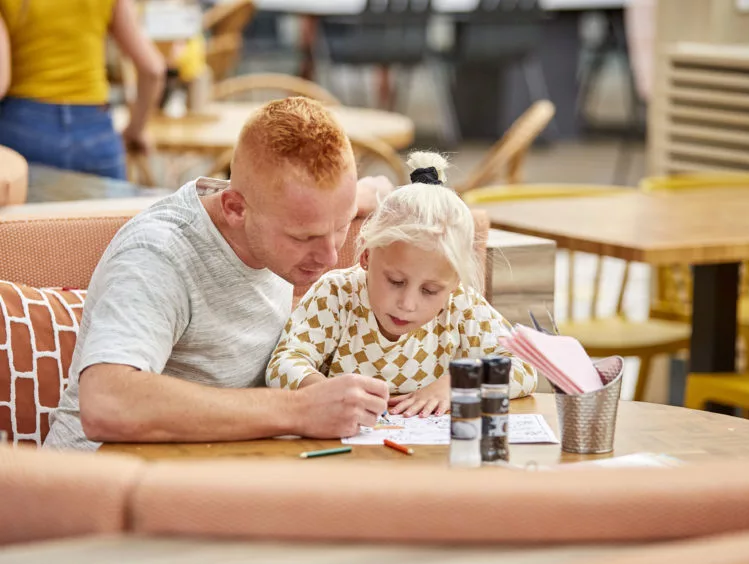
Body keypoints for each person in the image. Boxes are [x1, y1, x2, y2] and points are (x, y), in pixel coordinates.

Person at [44, 97, 392, 451]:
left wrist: (378, 197)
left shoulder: (292, 207)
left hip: (203, 469)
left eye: (341, 225)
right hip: (93, 483)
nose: (330, 255)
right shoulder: (158, 253)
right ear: (235, 208)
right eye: (303, 237)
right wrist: (300, 409)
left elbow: (364, 194)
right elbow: (106, 402)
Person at [266, 152, 537, 418]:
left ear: (454, 283)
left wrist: (458, 382)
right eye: (395, 281)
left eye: (430, 290)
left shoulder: (462, 306)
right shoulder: (337, 295)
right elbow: (282, 364)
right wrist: (324, 392)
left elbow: (525, 367)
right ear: (367, 256)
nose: (407, 304)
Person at [0, 0, 165, 179]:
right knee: (105, 207)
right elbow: (153, 70)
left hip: (22, 129)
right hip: (95, 131)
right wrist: (136, 130)